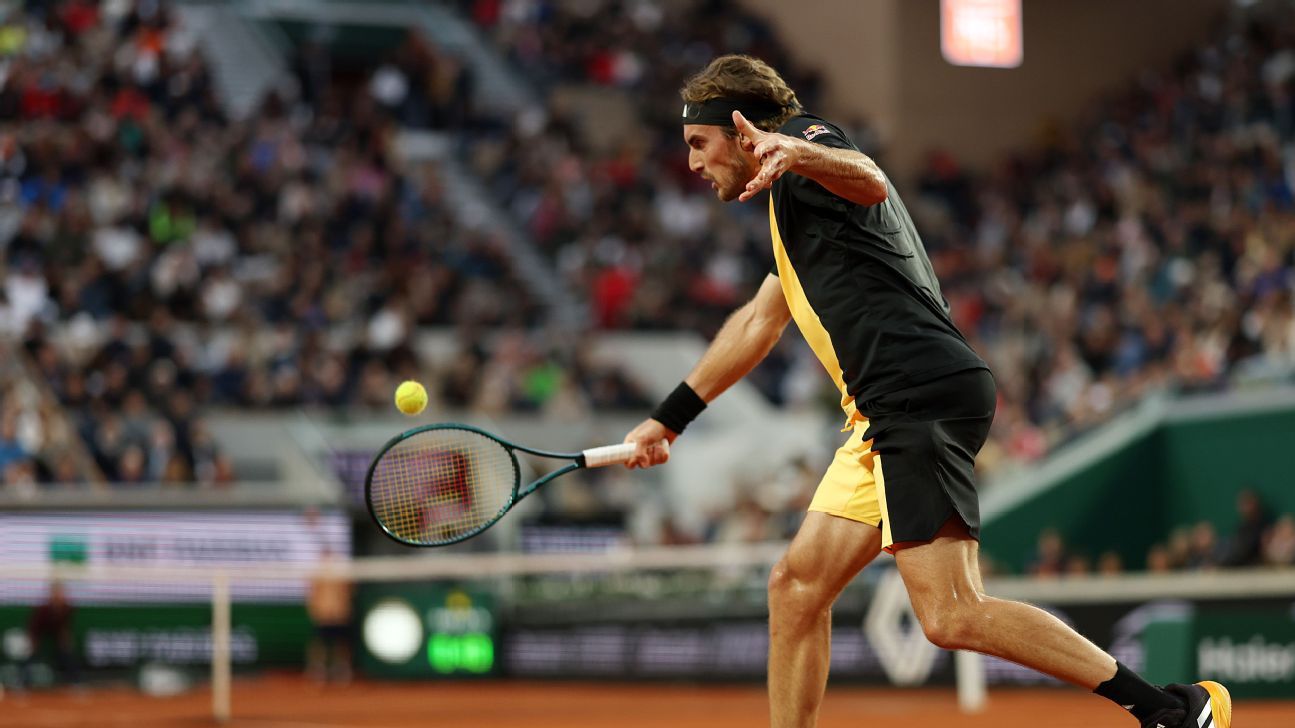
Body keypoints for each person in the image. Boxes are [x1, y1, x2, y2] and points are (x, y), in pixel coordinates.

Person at [621, 54, 1231, 728]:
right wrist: (669, 419)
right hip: (879, 417)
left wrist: (793, 149)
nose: (690, 163)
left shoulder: (814, 150)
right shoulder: (793, 213)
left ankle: (1172, 712)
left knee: (950, 614)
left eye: (696, 144)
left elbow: (870, 180)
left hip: (916, 396)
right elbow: (758, 322)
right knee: (795, 589)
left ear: (743, 132)